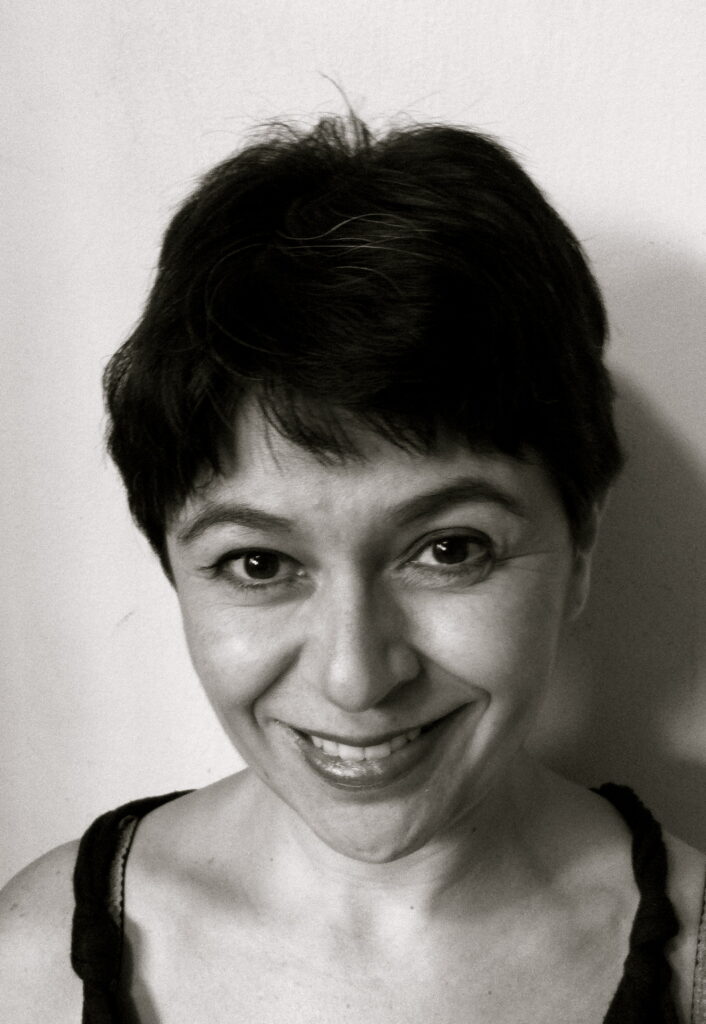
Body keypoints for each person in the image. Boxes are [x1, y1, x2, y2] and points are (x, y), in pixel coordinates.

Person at [1, 113, 705, 1024]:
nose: (356, 677)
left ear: (580, 547)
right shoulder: (32, 967)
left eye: (450, 550)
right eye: (259, 562)